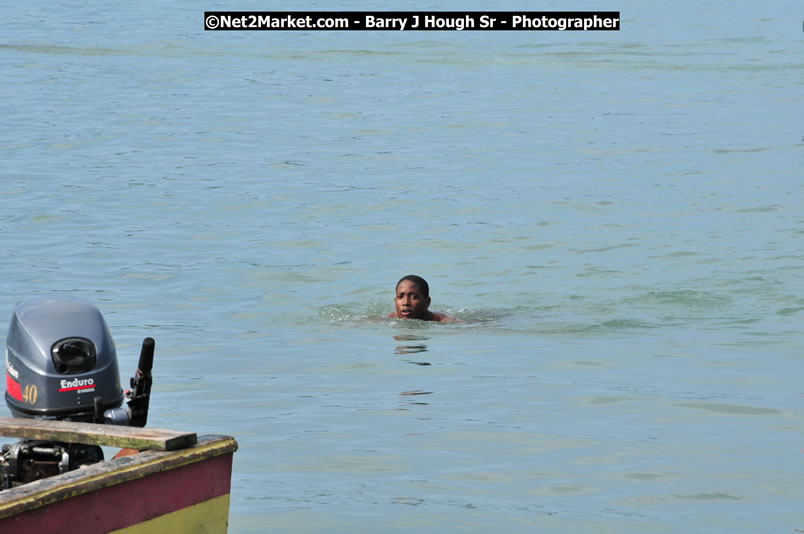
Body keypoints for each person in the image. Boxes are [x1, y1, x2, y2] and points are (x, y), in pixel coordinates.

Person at [387, 275, 461, 323]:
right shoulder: (390, 318)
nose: (405, 302)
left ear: (427, 302)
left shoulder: (445, 321)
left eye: (414, 297)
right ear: (395, 300)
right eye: (400, 297)